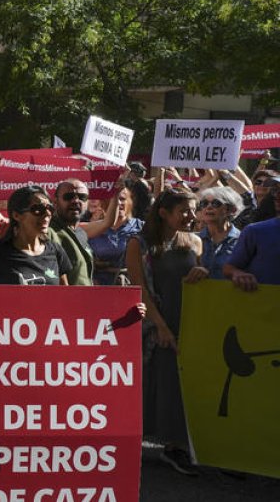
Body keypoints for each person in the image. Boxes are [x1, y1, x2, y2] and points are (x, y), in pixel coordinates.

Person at [124, 188, 201, 476]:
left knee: (183, 387)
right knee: (161, 384)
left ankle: (179, 444)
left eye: (193, 210)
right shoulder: (140, 244)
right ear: (163, 213)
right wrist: (161, 326)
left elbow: (198, 278)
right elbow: (139, 289)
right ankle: (163, 445)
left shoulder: (194, 241)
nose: (191, 216)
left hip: (189, 323)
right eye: (184, 210)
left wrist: (201, 274)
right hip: (157, 327)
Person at [0, 186, 71, 285]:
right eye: (38, 209)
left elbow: (65, 295)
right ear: (16, 215)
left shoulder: (56, 250)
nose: (47, 214)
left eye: (50, 208)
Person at [223, 175, 280, 291]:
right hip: (264, 306)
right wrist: (237, 274)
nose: (277, 195)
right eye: (275, 190)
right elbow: (229, 268)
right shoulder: (255, 231)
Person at [88, 184, 144, 286]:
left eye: (122, 199)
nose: (119, 203)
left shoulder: (140, 227)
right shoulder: (93, 228)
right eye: (114, 199)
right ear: (105, 203)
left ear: (130, 202)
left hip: (131, 285)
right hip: (98, 287)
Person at [48, 179, 94, 286]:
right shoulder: (49, 232)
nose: (75, 201)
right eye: (68, 197)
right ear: (55, 202)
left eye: (82, 197)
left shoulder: (81, 233)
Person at [195, 186, 241, 280]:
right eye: (204, 203)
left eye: (216, 203)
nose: (209, 207)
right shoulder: (194, 239)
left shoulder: (243, 240)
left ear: (232, 210)